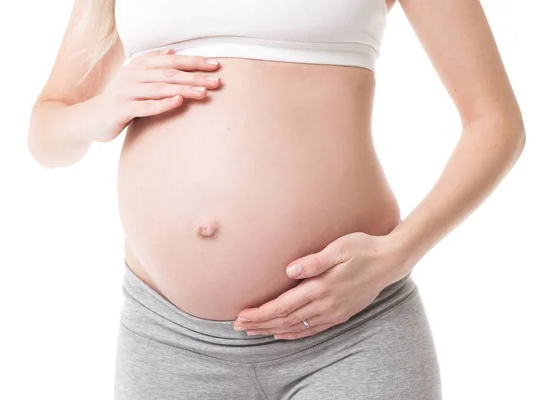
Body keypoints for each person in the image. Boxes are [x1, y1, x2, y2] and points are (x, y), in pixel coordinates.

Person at [27, 0, 525, 398]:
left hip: (350, 336)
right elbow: (46, 132)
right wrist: (99, 110)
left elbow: (495, 123)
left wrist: (397, 255)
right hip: (170, 342)